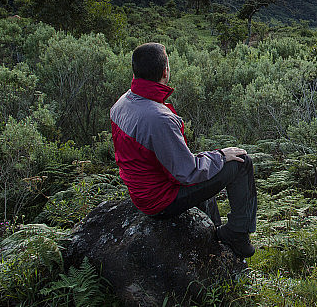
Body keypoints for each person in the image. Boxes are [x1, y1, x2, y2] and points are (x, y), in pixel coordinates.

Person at [110, 42, 257, 258]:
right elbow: (186, 173)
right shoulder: (159, 118)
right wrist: (220, 156)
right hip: (161, 200)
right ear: (165, 72)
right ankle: (237, 234)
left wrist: (211, 159)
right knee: (242, 162)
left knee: (210, 164)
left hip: (142, 191)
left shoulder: (122, 103)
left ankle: (212, 230)